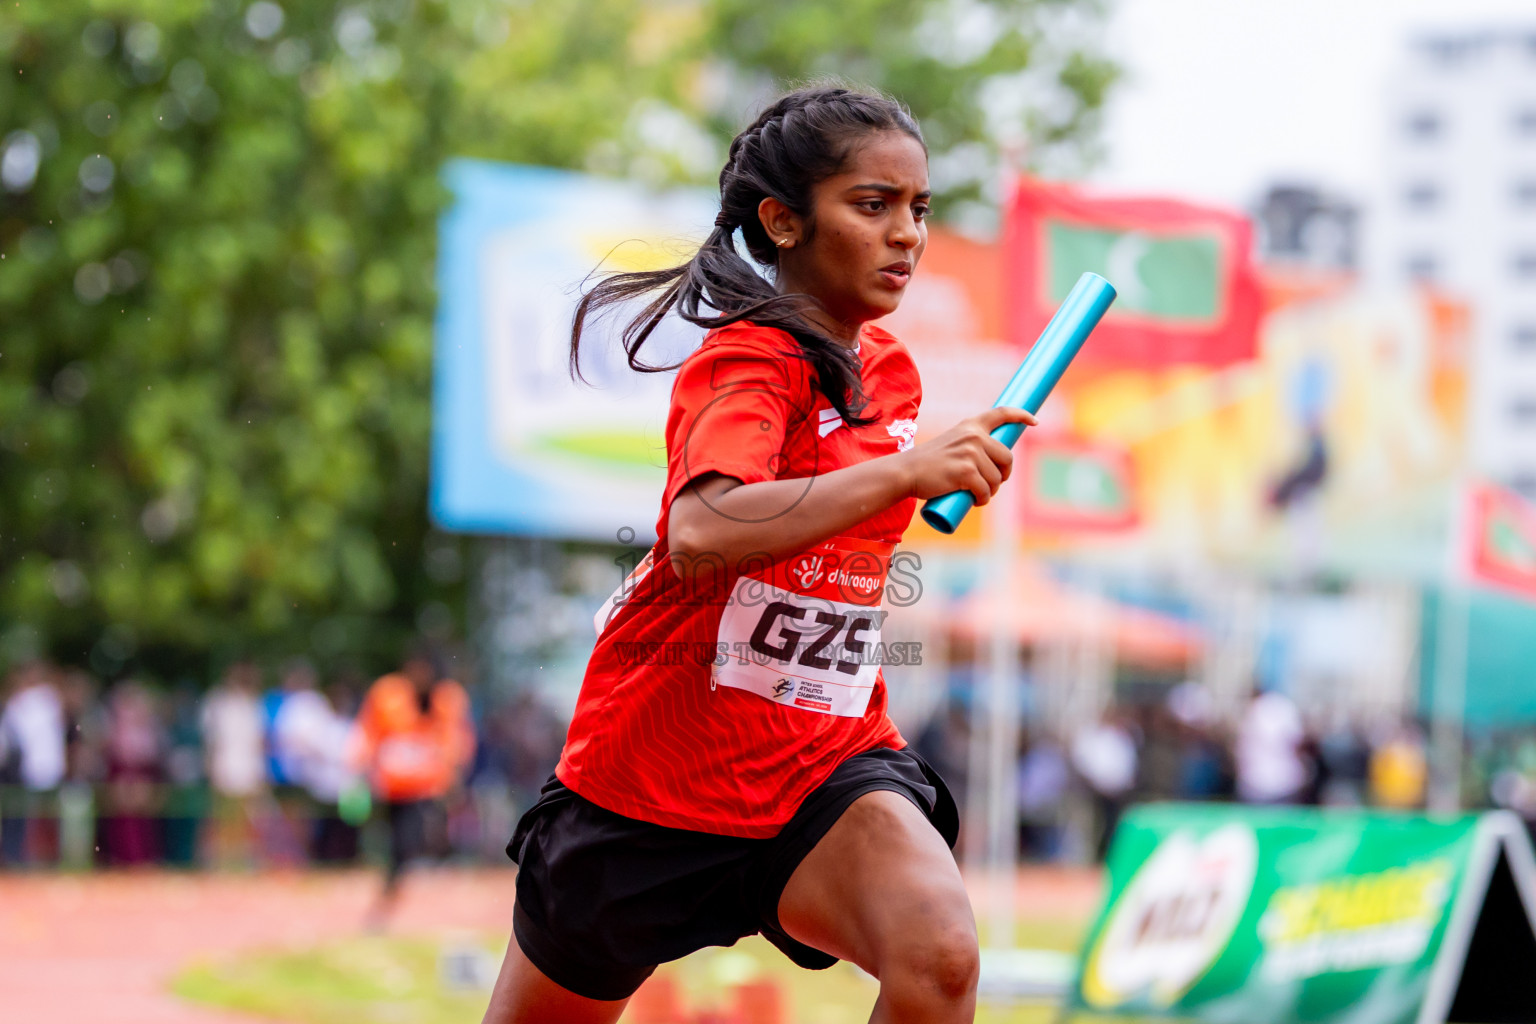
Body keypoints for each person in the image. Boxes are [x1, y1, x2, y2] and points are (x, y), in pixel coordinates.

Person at [482, 85, 1035, 1024]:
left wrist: (909, 470)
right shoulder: (746, 361)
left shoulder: (889, 373)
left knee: (939, 958)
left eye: (920, 209)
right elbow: (705, 530)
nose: (908, 234)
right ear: (783, 221)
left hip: (819, 765)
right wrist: (907, 474)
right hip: (648, 789)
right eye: (873, 205)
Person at [354, 648, 474, 920]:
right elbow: (369, 733)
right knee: (398, 844)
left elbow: (456, 742)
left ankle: (401, 888)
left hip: (426, 788)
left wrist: (451, 776)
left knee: (411, 841)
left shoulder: (446, 698)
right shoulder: (388, 693)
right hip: (393, 787)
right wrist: (363, 767)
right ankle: (393, 889)